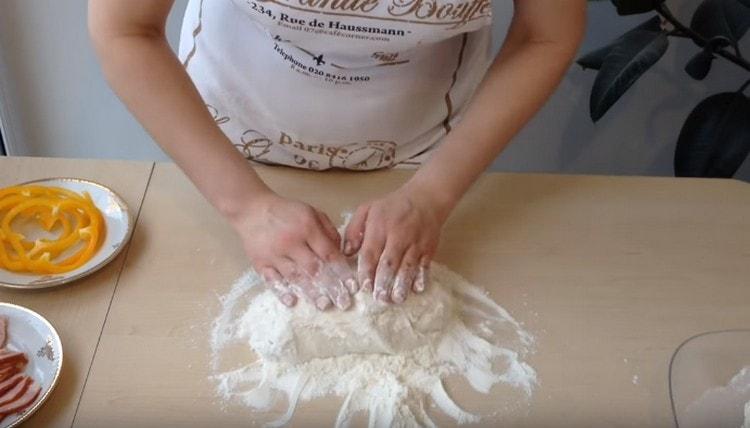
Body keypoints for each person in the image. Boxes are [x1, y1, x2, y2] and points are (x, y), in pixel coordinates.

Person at [89, 0, 586, 311]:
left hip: (419, 148)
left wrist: (433, 194)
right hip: (234, 141)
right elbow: (126, 27)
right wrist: (244, 206)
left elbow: (545, 33)